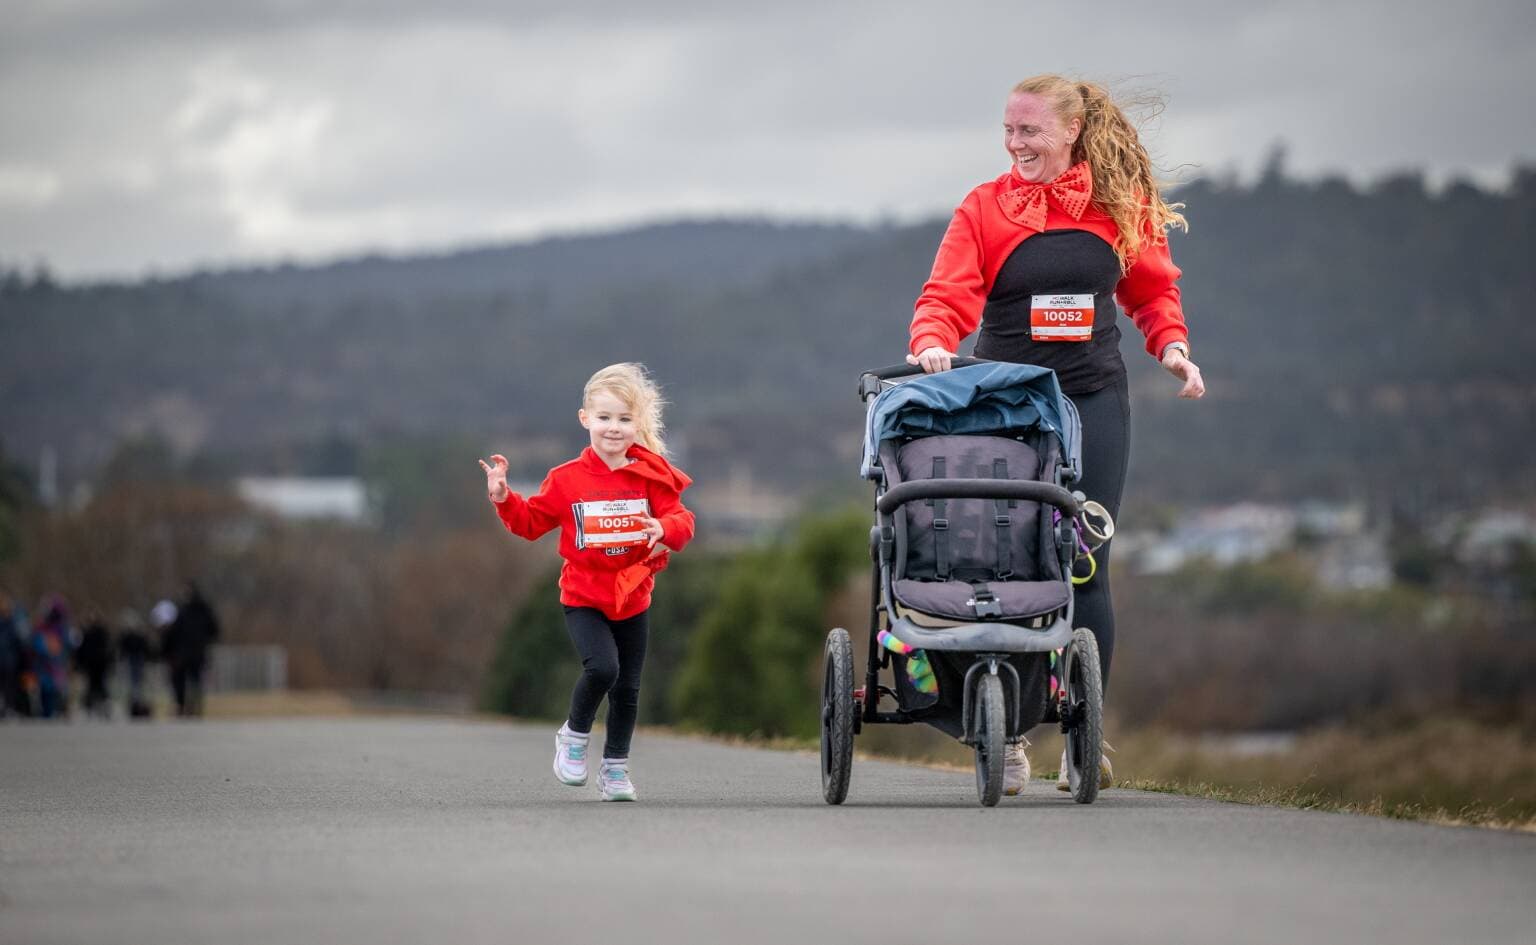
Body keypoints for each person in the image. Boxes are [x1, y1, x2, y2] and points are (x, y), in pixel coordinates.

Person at [906, 75, 1206, 796]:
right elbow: (946, 295)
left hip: (1094, 396)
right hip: (1007, 404)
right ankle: (1003, 732)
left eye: (1030, 131)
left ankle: (1082, 731)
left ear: (1071, 131)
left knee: (1086, 564)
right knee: (1002, 563)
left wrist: (1171, 345)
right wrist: (932, 343)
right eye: (1009, 131)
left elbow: (1152, 287)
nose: (1015, 144)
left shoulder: (1117, 206)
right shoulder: (985, 207)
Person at [479, 363, 695, 802]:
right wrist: (503, 497)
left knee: (629, 690)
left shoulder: (651, 475)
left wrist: (663, 529)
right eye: (604, 418)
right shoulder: (566, 479)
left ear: (639, 424)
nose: (613, 429)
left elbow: (682, 519)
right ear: (585, 419)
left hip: (633, 598)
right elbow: (531, 522)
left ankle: (615, 769)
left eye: (624, 419)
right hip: (583, 597)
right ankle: (574, 736)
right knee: (603, 668)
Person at [163, 583, 221, 717]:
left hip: (184, 652)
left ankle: (182, 705)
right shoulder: (205, 610)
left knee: (181, 679)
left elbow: (173, 633)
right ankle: (195, 706)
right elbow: (214, 630)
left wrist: (167, 650)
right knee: (195, 680)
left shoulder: (182, 611)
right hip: (199, 651)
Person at [74, 611, 115, 719]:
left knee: (100, 686)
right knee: (92, 687)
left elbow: (109, 650)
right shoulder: (86, 633)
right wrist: (79, 663)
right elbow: (81, 651)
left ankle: (103, 708)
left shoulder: (101, 633)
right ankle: (91, 709)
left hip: (100, 665)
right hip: (91, 665)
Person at [117, 608, 155, 719]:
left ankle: (138, 705)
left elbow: (147, 649)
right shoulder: (128, 636)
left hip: (138, 661)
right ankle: (134, 704)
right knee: (133, 684)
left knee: (137, 684)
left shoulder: (138, 636)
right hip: (132, 662)